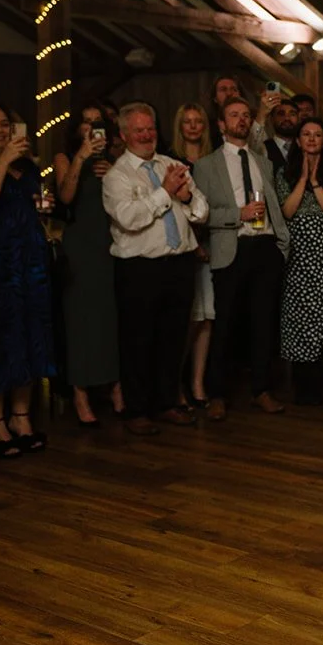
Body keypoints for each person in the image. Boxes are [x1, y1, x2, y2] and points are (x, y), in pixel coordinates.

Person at [102, 102, 207, 437]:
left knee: (172, 339)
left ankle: (165, 404)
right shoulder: (116, 176)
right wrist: (165, 192)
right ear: (123, 134)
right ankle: (137, 409)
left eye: (150, 129)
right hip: (139, 269)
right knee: (137, 341)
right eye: (139, 130)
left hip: (179, 263)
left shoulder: (172, 164)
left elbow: (201, 211)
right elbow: (130, 219)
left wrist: (186, 195)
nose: (147, 135)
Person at [193, 96, 289, 420]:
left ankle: (261, 390)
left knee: (264, 324)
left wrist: (281, 244)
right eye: (234, 115)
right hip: (230, 249)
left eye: (246, 115)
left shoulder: (263, 162)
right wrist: (239, 213)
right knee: (225, 326)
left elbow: (274, 206)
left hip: (264, 248)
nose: (242, 120)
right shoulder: (206, 165)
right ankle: (217, 394)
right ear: (221, 124)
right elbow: (201, 214)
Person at [0, 103, 54, 457]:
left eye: (5, 124)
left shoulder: (29, 166)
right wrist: (2, 161)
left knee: (31, 337)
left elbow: (38, 203)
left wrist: (42, 206)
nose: (0, 130)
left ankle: (21, 417)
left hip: (31, 261)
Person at [54, 101, 122, 426]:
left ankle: (114, 383)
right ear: (77, 129)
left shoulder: (114, 160)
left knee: (109, 316)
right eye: (86, 122)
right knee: (81, 319)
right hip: (80, 244)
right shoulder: (64, 158)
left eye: (97, 123)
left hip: (109, 242)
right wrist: (81, 157)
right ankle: (80, 391)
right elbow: (66, 197)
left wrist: (114, 174)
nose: (92, 127)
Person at [277, 116, 323, 405]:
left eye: (317, 134)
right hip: (296, 259)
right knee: (296, 321)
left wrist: (316, 182)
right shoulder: (285, 173)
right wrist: (303, 179)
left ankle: (317, 389)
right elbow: (288, 211)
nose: (311, 139)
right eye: (305, 134)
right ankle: (299, 388)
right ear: (298, 140)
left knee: (321, 321)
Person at [171, 102, 213, 407]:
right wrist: (195, 243)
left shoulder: (213, 160)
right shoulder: (170, 162)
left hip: (213, 245)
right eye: (188, 122)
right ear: (180, 126)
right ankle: (176, 384)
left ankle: (198, 382)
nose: (194, 126)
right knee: (186, 319)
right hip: (185, 246)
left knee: (206, 318)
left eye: (199, 121)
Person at [263, 98, 299, 175]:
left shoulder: (305, 147)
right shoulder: (263, 148)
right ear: (272, 119)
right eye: (281, 114)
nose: (287, 118)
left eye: (292, 114)